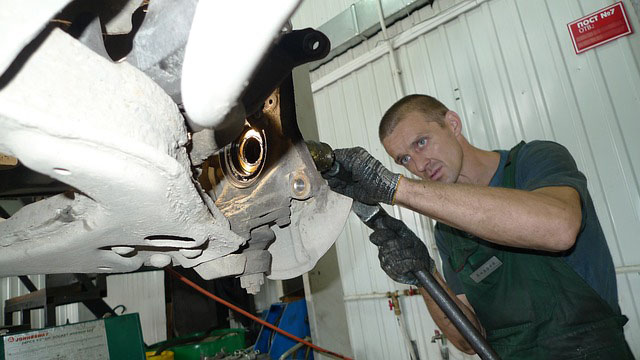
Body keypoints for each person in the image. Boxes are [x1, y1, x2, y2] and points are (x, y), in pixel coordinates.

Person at [324, 94, 634, 359]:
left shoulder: (534, 161)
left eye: (421, 142)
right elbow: (468, 340)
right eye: (404, 159)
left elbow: (559, 228)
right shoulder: (447, 231)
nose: (419, 165)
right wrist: (424, 275)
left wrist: (394, 187)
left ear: (453, 124)